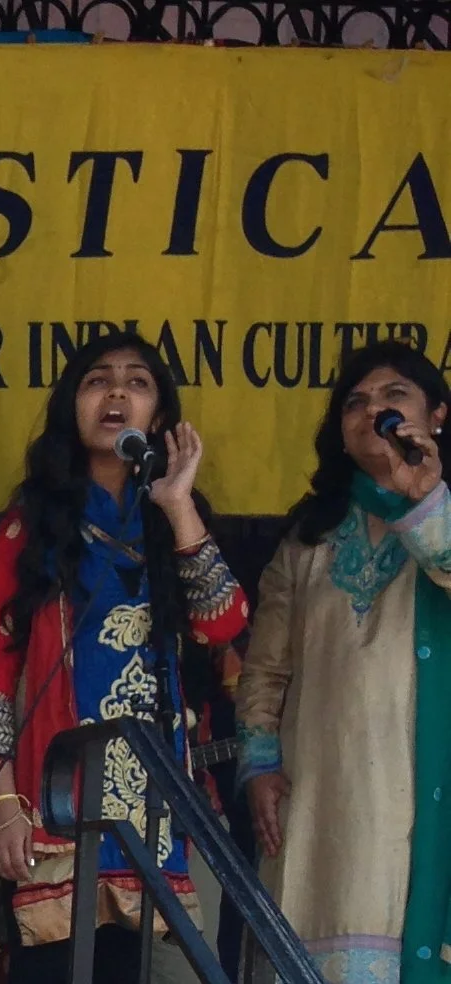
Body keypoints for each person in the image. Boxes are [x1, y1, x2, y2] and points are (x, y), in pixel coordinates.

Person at [0, 331, 250, 984]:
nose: (116, 391)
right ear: (71, 408)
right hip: (55, 811)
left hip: (161, 816)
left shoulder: (173, 524)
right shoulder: (27, 529)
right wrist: (2, 801)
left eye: (136, 381)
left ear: (161, 420)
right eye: (97, 380)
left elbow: (224, 622)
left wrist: (175, 507)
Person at [236, 340, 451, 984]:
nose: (372, 411)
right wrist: (260, 764)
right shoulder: (310, 536)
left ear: (436, 416)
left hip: (418, 787)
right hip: (319, 797)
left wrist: (426, 499)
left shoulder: (444, 513)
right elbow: (265, 667)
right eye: (355, 402)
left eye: (394, 397)